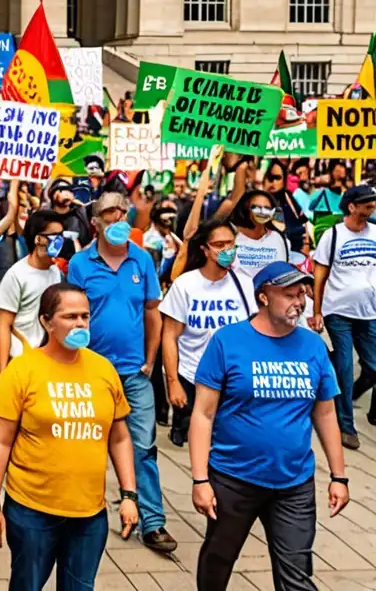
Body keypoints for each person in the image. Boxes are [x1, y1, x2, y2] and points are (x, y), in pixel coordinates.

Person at [190, 261, 348, 590]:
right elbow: (203, 415)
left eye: (302, 294)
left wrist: (339, 476)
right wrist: (200, 479)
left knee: (296, 571)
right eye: (289, 294)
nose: (300, 301)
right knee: (219, 559)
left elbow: (326, 414)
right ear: (263, 297)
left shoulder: (313, 346)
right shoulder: (227, 341)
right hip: (233, 478)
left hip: (294, 482)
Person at [0, 283, 139, 588]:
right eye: (70, 316)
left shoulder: (103, 370)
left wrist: (129, 495)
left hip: (90, 514)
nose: (80, 323)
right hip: (32, 512)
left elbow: (119, 438)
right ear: (46, 321)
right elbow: (0, 440)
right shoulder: (23, 369)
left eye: (85, 316)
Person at [67, 192, 176, 553]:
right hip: (91, 372)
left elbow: (152, 311)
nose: (117, 219)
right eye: (108, 214)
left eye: (122, 213)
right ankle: (83, 512)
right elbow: (72, 316)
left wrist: (150, 359)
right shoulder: (80, 264)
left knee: (143, 446)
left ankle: (152, 521)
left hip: (134, 372)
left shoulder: (142, 260)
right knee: (87, 446)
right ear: (95, 222)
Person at [160, 219, 256, 447]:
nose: (226, 250)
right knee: (196, 434)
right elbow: (170, 336)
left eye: (231, 244)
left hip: (232, 375)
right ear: (204, 249)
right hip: (193, 373)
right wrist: (173, 382)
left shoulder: (244, 284)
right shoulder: (185, 285)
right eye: (219, 245)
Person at [311, 184, 376, 450]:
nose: (372, 207)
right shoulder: (333, 235)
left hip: (370, 313)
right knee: (344, 368)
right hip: (338, 312)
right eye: (368, 203)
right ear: (352, 206)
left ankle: (356, 399)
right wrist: (317, 310)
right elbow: (320, 275)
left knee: (373, 367)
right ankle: (346, 427)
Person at [0, 210, 65, 376]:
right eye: (54, 235)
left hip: (48, 361)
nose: (59, 240)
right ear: (38, 239)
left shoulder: (56, 273)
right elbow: (4, 324)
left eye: (61, 235)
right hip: (20, 360)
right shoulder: (16, 275)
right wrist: (3, 372)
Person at [228, 190, 290, 278]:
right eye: (256, 207)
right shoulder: (231, 235)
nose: (262, 212)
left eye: (267, 208)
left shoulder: (278, 238)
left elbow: (282, 273)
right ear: (246, 208)